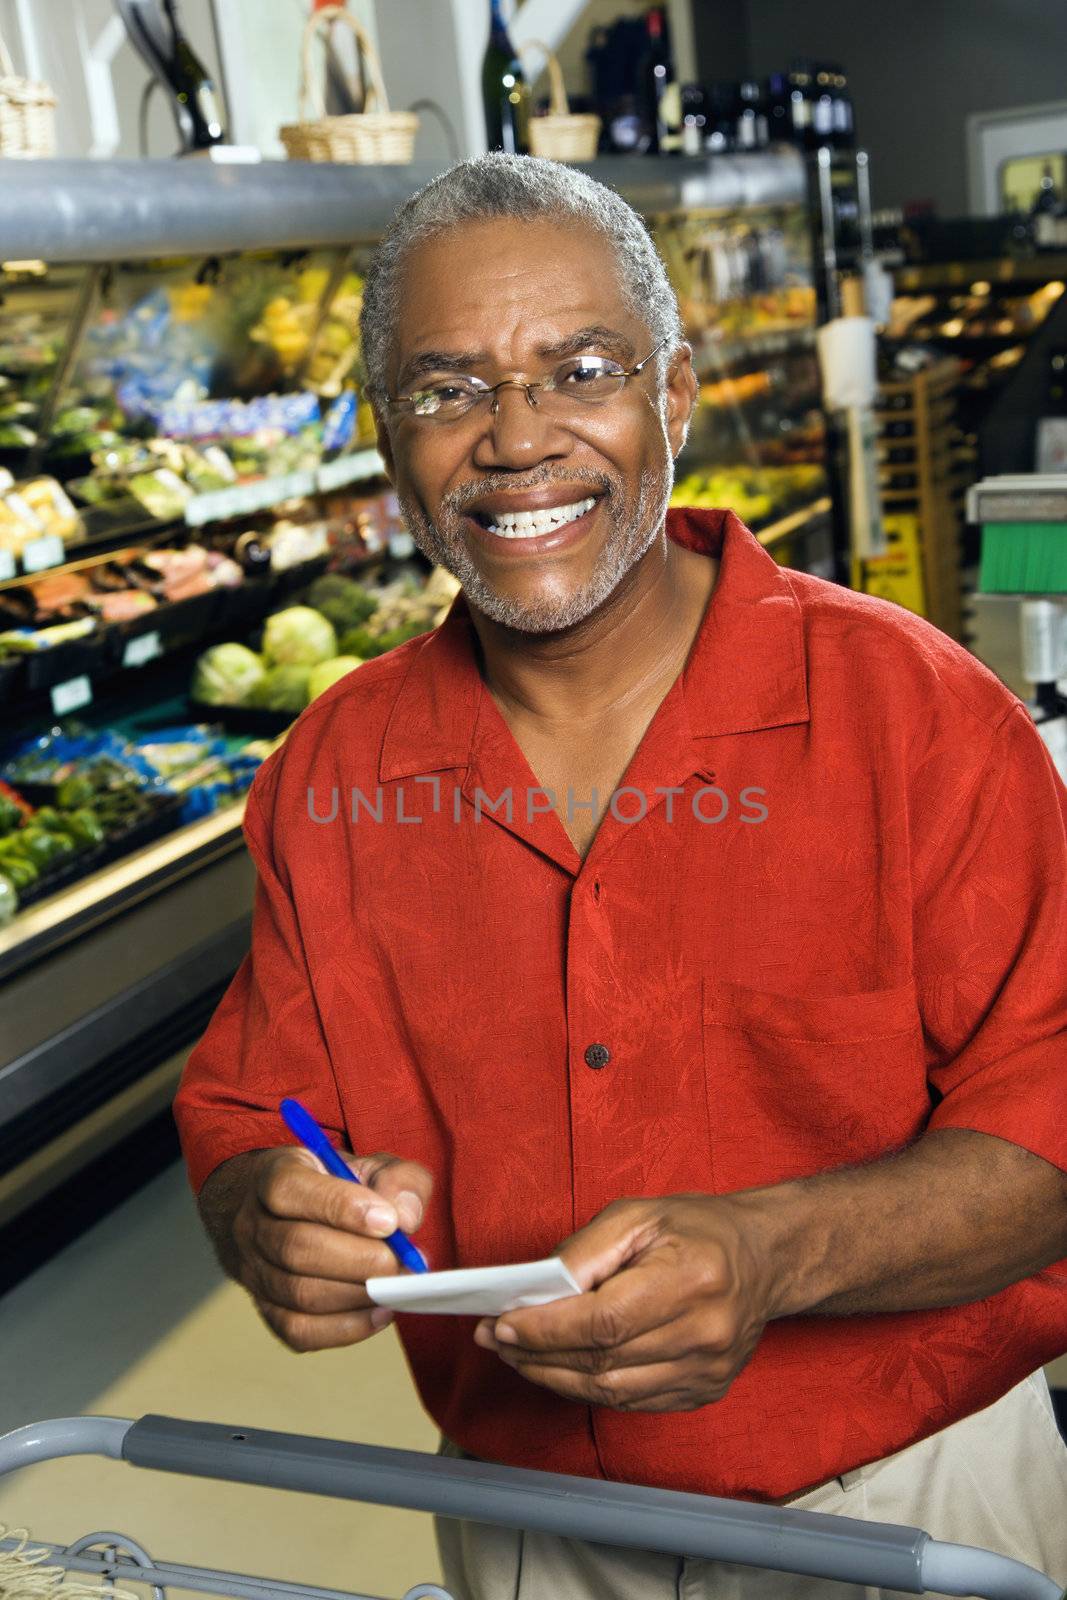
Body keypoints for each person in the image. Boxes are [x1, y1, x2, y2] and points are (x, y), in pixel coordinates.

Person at [174, 154, 1067, 1600]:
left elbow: (1057, 1123)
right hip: (538, 1535)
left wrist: (777, 1253)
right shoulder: (333, 775)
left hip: (914, 1508)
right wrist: (266, 1209)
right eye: (447, 389)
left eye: (578, 369)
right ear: (386, 438)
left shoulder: (919, 718)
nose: (515, 440)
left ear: (674, 393)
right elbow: (246, 1108)